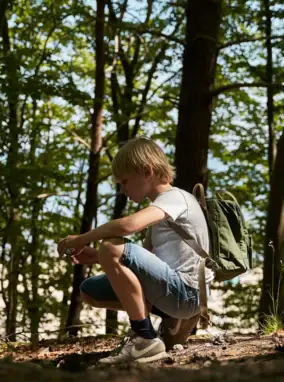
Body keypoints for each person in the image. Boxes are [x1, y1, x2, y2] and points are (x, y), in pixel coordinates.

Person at [57, 137, 214, 364]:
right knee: (89, 290)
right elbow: (140, 266)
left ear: (147, 171)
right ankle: (154, 331)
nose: (123, 189)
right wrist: (99, 257)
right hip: (173, 290)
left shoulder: (176, 198)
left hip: (188, 293)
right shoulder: (161, 211)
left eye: (125, 181)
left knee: (111, 245)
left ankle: (144, 337)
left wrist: (81, 239)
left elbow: (127, 226)